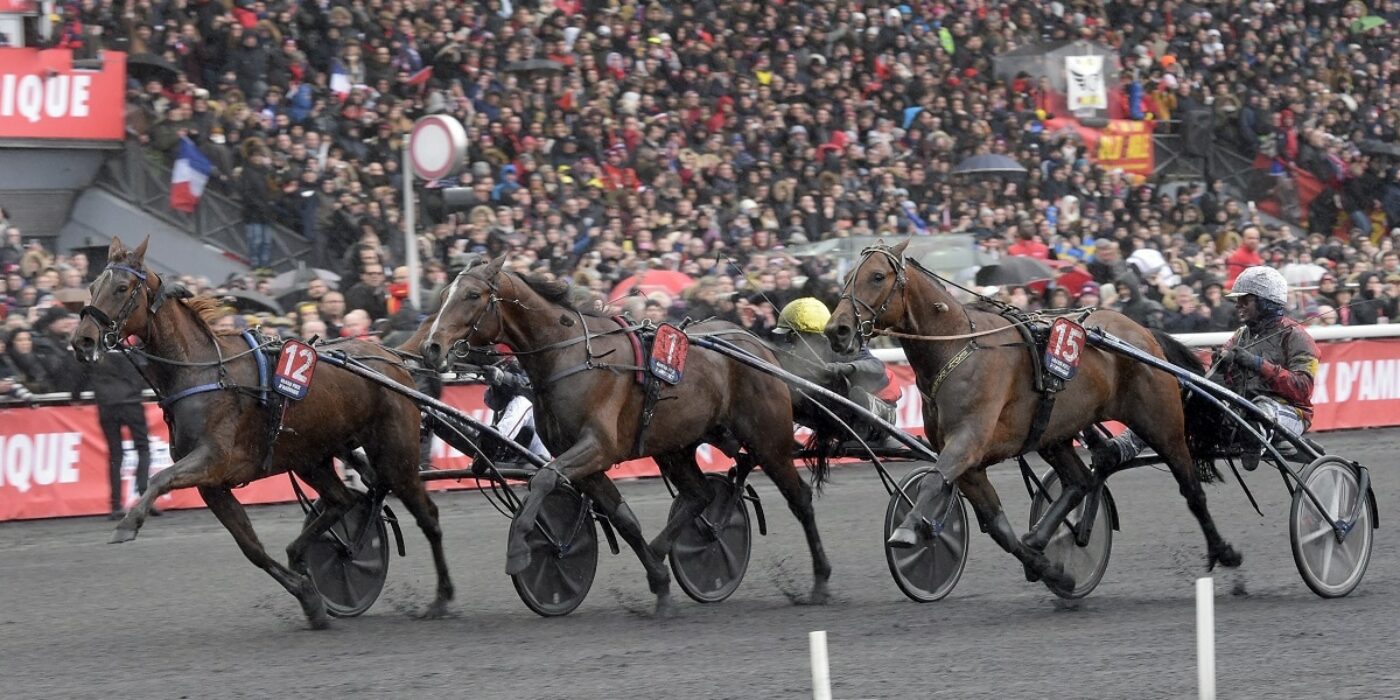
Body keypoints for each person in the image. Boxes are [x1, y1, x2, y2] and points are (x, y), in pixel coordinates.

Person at [1094, 266, 1318, 471]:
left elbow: (1303, 389)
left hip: (1290, 414)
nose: (1238, 305)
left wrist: (1258, 365)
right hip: (1241, 410)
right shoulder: (1241, 335)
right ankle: (1121, 448)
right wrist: (1222, 364)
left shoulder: (1297, 338)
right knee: (1172, 403)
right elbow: (1223, 381)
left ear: (1266, 302)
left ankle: (1255, 435)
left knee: (1260, 408)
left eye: (1244, 301)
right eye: (1238, 300)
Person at [771, 297, 900, 437]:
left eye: (791, 334)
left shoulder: (845, 344)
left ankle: (865, 428)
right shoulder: (797, 353)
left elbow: (877, 366)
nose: (786, 340)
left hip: (877, 412)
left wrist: (840, 368)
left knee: (857, 394)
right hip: (838, 413)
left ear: (807, 333)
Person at [88, 349, 158, 519]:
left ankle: (115, 505)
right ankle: (145, 498)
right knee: (143, 449)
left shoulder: (96, 354)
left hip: (107, 405)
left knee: (115, 455)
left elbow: (80, 375)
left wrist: (76, 395)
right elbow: (146, 373)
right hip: (132, 403)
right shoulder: (131, 352)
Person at [480, 358, 551, 464]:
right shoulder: (510, 363)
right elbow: (492, 403)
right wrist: (496, 385)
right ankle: (491, 446)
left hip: (540, 438)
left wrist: (504, 378)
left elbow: (534, 389)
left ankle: (495, 444)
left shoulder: (542, 363)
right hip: (514, 444)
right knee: (517, 402)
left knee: (523, 402)